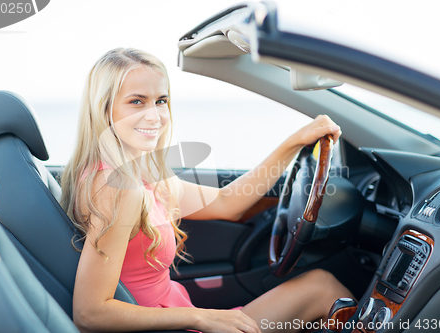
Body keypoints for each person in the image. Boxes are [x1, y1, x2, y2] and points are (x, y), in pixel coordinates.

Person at [60, 48, 353, 333]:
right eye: (137, 102)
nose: (155, 116)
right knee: (322, 288)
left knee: (321, 286)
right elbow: (90, 313)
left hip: (178, 318)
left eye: (161, 101)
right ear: (105, 109)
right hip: (175, 326)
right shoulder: (119, 189)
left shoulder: (137, 174)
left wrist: (295, 142)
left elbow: (227, 202)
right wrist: (201, 318)